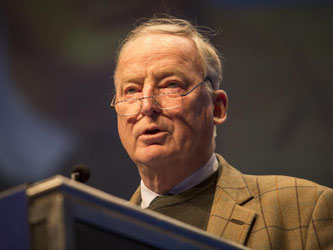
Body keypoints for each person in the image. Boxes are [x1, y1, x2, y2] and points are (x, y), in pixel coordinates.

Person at [111, 17, 333, 249]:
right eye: (132, 90)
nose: (147, 106)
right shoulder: (98, 234)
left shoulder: (306, 211)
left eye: (171, 85)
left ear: (217, 107)